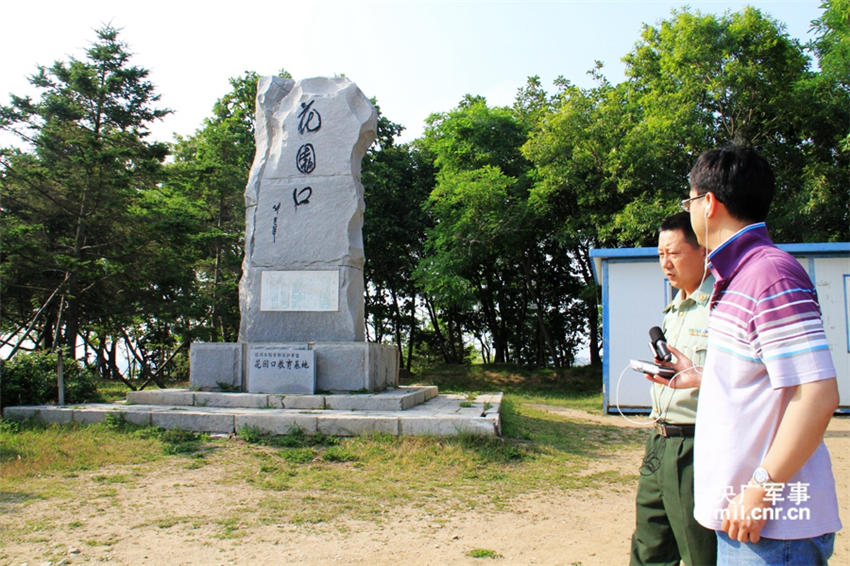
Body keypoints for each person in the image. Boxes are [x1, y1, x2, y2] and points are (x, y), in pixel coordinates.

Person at [649, 145, 841, 565]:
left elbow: (817, 395)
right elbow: (760, 378)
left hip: (773, 528)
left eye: (690, 200)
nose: (690, 209)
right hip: (746, 521)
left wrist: (761, 490)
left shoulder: (768, 274)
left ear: (709, 203)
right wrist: (699, 374)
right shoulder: (734, 278)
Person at [630, 212, 717, 566]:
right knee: (649, 545)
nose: (666, 263)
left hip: (697, 445)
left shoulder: (721, 307)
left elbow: (743, 376)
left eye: (675, 253)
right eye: (661, 254)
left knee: (699, 550)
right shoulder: (674, 311)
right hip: (660, 440)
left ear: (703, 252)